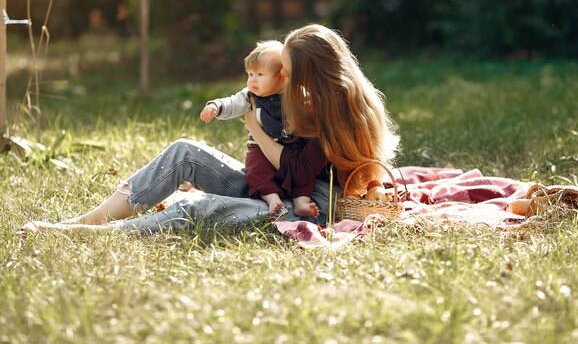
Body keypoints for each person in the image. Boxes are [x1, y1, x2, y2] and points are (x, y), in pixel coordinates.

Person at [20, 24, 400, 236]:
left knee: (202, 206)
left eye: (287, 70)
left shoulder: (339, 110)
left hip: (311, 206)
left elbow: (298, 171)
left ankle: (98, 236)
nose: (281, 76)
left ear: (308, 72)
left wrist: (252, 125)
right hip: (278, 188)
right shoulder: (303, 95)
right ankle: (84, 221)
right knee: (185, 149)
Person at [199, 40, 319, 217]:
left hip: (291, 147)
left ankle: (301, 202)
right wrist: (216, 107)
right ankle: (272, 198)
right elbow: (232, 102)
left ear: (282, 77)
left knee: (303, 177)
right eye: (250, 74)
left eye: (260, 74)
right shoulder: (249, 95)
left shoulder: (295, 93)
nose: (252, 80)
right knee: (256, 171)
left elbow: (311, 104)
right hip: (260, 148)